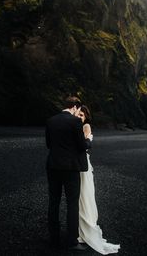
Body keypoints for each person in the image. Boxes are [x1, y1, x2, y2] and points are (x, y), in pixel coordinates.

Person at [45, 96, 93, 251]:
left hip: (53, 166)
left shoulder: (51, 120)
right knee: (72, 204)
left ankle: (54, 239)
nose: (78, 112)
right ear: (74, 107)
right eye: (78, 109)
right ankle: (71, 241)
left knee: (54, 202)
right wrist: (89, 141)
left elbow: (48, 144)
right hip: (71, 168)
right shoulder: (75, 122)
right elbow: (81, 145)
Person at [76, 105, 120, 254]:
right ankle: (80, 229)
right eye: (78, 114)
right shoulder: (76, 125)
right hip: (78, 164)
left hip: (83, 164)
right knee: (80, 197)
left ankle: (86, 228)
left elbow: (85, 145)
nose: (80, 117)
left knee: (85, 195)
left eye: (82, 115)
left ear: (86, 117)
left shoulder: (85, 126)